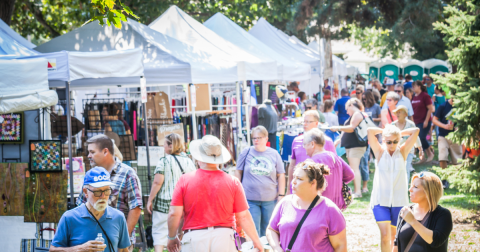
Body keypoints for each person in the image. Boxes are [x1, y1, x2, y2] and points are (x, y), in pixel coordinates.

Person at [167, 135, 263, 252]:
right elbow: (243, 216)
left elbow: (174, 214)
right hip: (224, 237)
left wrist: (171, 237)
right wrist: (256, 242)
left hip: (194, 238)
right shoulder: (233, 182)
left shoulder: (184, 180)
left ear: (199, 157)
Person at [77, 134, 142, 252]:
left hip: (117, 242)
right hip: (92, 241)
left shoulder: (128, 174)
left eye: (92, 152)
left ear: (105, 152)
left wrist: (122, 240)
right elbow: (81, 205)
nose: (89, 156)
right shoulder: (90, 174)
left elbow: (136, 208)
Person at [266, 162, 347, 252]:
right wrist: (276, 248)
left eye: (299, 179)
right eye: (294, 177)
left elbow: (340, 246)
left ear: (313, 183)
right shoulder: (284, 203)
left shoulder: (330, 209)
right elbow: (271, 229)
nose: (293, 182)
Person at [51, 167, 131, 252]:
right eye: (97, 192)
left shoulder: (118, 217)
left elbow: (123, 249)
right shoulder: (69, 217)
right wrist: (79, 249)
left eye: (107, 191)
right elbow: (53, 250)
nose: (103, 196)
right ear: (85, 192)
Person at [367, 124, 420, 252]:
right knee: (385, 236)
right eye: (389, 141)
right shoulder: (379, 152)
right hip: (380, 201)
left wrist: (397, 132)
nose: (392, 145)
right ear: (384, 140)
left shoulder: (402, 152)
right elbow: (369, 131)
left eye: (395, 141)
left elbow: (416, 131)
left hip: (399, 201)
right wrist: (386, 131)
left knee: (395, 236)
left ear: (399, 140)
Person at [146, 133, 196, 252]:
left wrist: (150, 200)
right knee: (179, 233)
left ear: (170, 146)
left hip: (163, 203)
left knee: (159, 231)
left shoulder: (164, 161)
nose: (163, 147)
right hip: (182, 204)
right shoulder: (189, 162)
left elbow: (157, 182)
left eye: (164, 144)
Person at [235, 126, 285, 237]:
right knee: (253, 231)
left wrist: (281, 195)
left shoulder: (274, 154)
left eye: (259, 138)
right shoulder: (246, 152)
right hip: (250, 199)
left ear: (266, 138)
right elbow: (238, 172)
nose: (256, 140)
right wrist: (237, 192)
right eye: (254, 138)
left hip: (270, 199)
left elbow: (281, 175)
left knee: (269, 230)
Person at [394, 172, 453, 252]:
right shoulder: (405, 211)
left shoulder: (443, 215)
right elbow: (397, 244)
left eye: (415, 187)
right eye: (411, 186)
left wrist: (413, 221)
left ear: (428, 192)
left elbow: (436, 240)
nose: (410, 189)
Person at [302, 128, 355, 210]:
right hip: (336, 207)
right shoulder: (335, 156)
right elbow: (350, 175)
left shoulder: (311, 162)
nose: (303, 147)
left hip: (319, 208)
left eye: (304, 144)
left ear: (312, 144)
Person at [287, 110, 336, 195]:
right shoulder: (297, 140)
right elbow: (292, 165)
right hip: (299, 187)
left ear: (316, 123)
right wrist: (288, 189)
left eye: (309, 122)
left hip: (319, 189)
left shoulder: (327, 141)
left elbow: (334, 167)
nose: (305, 124)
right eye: (304, 121)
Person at [330, 98, 367, 198]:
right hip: (353, 145)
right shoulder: (357, 114)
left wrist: (337, 128)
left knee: (355, 169)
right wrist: (339, 140)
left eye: (347, 109)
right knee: (354, 168)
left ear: (351, 105)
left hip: (356, 146)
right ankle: (357, 191)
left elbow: (351, 128)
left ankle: (358, 192)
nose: (346, 112)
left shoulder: (357, 114)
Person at [432, 92, 462, 187]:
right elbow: (434, 120)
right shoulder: (443, 106)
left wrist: (459, 128)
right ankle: (444, 179)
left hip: (456, 136)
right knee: (442, 157)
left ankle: (457, 181)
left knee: (457, 160)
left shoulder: (461, 106)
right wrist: (444, 126)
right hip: (443, 136)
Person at [391, 105, 424, 180]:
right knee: (396, 169)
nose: (397, 114)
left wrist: (420, 149)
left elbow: (416, 137)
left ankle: (405, 188)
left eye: (399, 112)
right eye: (396, 112)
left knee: (406, 168)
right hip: (396, 151)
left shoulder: (411, 124)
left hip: (409, 150)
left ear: (405, 114)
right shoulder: (392, 125)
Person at [411, 80, 435, 163]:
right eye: (412, 86)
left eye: (414, 86)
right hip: (416, 122)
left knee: (421, 137)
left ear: (419, 86)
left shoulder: (425, 96)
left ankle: (430, 154)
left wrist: (426, 120)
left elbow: (430, 109)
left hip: (424, 121)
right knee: (417, 139)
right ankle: (422, 157)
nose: (413, 88)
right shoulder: (414, 96)